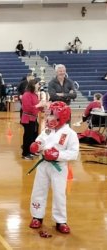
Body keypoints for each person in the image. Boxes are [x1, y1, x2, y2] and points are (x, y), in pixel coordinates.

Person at [28, 101, 79, 234]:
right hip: (43, 165)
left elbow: (74, 153)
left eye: (53, 115)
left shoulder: (71, 134)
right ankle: (37, 216)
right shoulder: (47, 130)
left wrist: (58, 155)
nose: (50, 118)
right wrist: (36, 146)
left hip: (59, 168)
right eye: (50, 114)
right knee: (38, 190)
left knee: (59, 193)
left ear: (61, 118)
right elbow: (40, 141)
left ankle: (60, 220)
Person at [21, 79, 46, 160]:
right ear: (33, 85)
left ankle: (31, 151)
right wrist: (39, 105)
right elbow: (28, 108)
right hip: (27, 119)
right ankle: (25, 153)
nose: (39, 86)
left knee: (33, 136)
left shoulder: (34, 95)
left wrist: (43, 107)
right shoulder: (26, 94)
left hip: (33, 118)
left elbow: (37, 106)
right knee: (28, 136)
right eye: (38, 84)